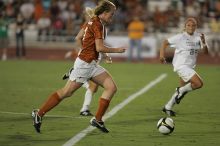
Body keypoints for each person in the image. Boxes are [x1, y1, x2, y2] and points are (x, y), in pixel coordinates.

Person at [32, 0, 126, 133]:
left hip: (91, 63)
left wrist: (101, 55)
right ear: (104, 13)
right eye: (112, 14)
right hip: (85, 65)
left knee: (111, 88)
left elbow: (81, 38)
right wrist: (116, 50)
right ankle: (39, 113)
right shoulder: (97, 24)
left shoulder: (93, 21)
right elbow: (98, 46)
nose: (113, 16)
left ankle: (97, 119)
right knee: (67, 92)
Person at [63, 7, 112, 116]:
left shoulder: (96, 25)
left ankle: (86, 109)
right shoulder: (91, 25)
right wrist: (83, 51)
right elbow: (79, 39)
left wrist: (106, 55)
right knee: (91, 87)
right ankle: (85, 109)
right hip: (88, 61)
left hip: (93, 61)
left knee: (93, 87)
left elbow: (98, 46)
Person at [159, 17, 209, 116]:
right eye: (189, 25)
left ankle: (167, 107)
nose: (191, 27)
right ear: (185, 26)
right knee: (199, 84)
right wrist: (161, 56)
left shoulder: (199, 37)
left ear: (196, 27)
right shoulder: (180, 37)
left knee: (181, 92)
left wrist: (203, 41)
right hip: (181, 66)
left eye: (193, 25)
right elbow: (165, 42)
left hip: (190, 67)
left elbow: (206, 53)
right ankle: (180, 90)